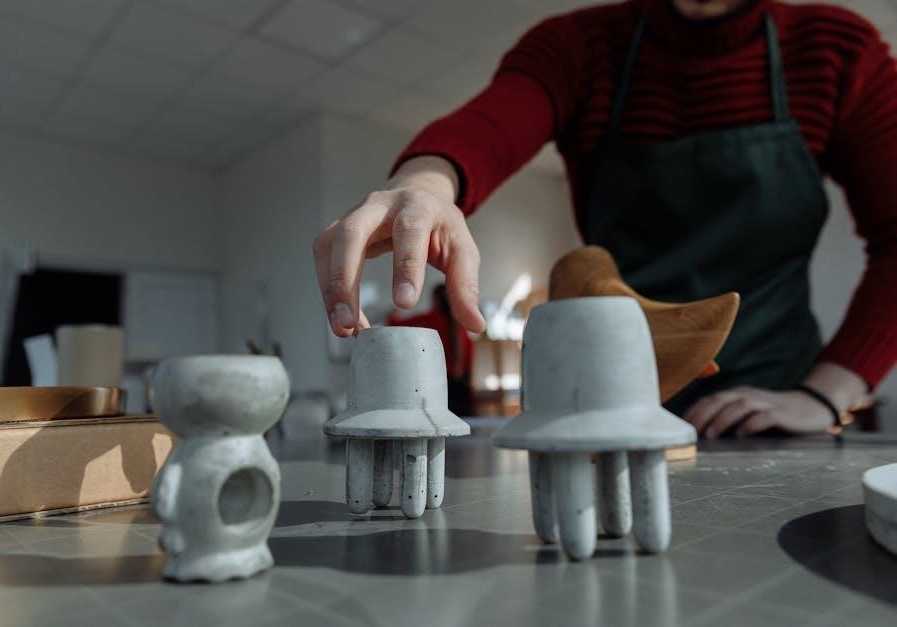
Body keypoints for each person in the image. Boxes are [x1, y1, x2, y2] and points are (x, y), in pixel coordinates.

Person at [312, 0, 897, 438]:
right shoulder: (579, 48)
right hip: (608, 397)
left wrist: (825, 394)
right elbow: (487, 129)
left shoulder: (838, 53)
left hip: (772, 409)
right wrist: (423, 187)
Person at [387, 284, 474, 416]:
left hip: (439, 384)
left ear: (435, 300)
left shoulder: (430, 319)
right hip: (463, 385)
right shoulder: (461, 323)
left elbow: (395, 325)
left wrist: (392, 314)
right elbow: (469, 358)